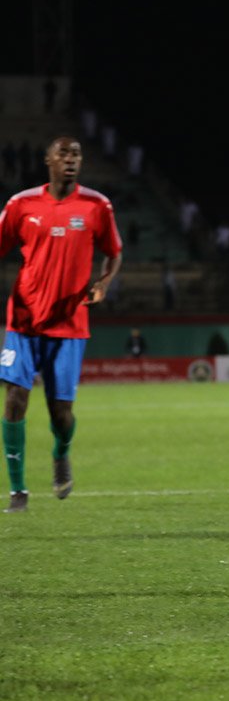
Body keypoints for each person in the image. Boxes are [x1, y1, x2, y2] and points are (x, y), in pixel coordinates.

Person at [0, 136, 123, 513]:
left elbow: (114, 252)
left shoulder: (96, 206)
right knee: (15, 400)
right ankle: (18, 490)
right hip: (22, 320)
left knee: (60, 412)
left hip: (69, 324)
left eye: (76, 155)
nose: (71, 160)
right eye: (63, 154)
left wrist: (102, 283)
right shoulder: (21, 205)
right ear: (47, 160)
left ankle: (61, 453)